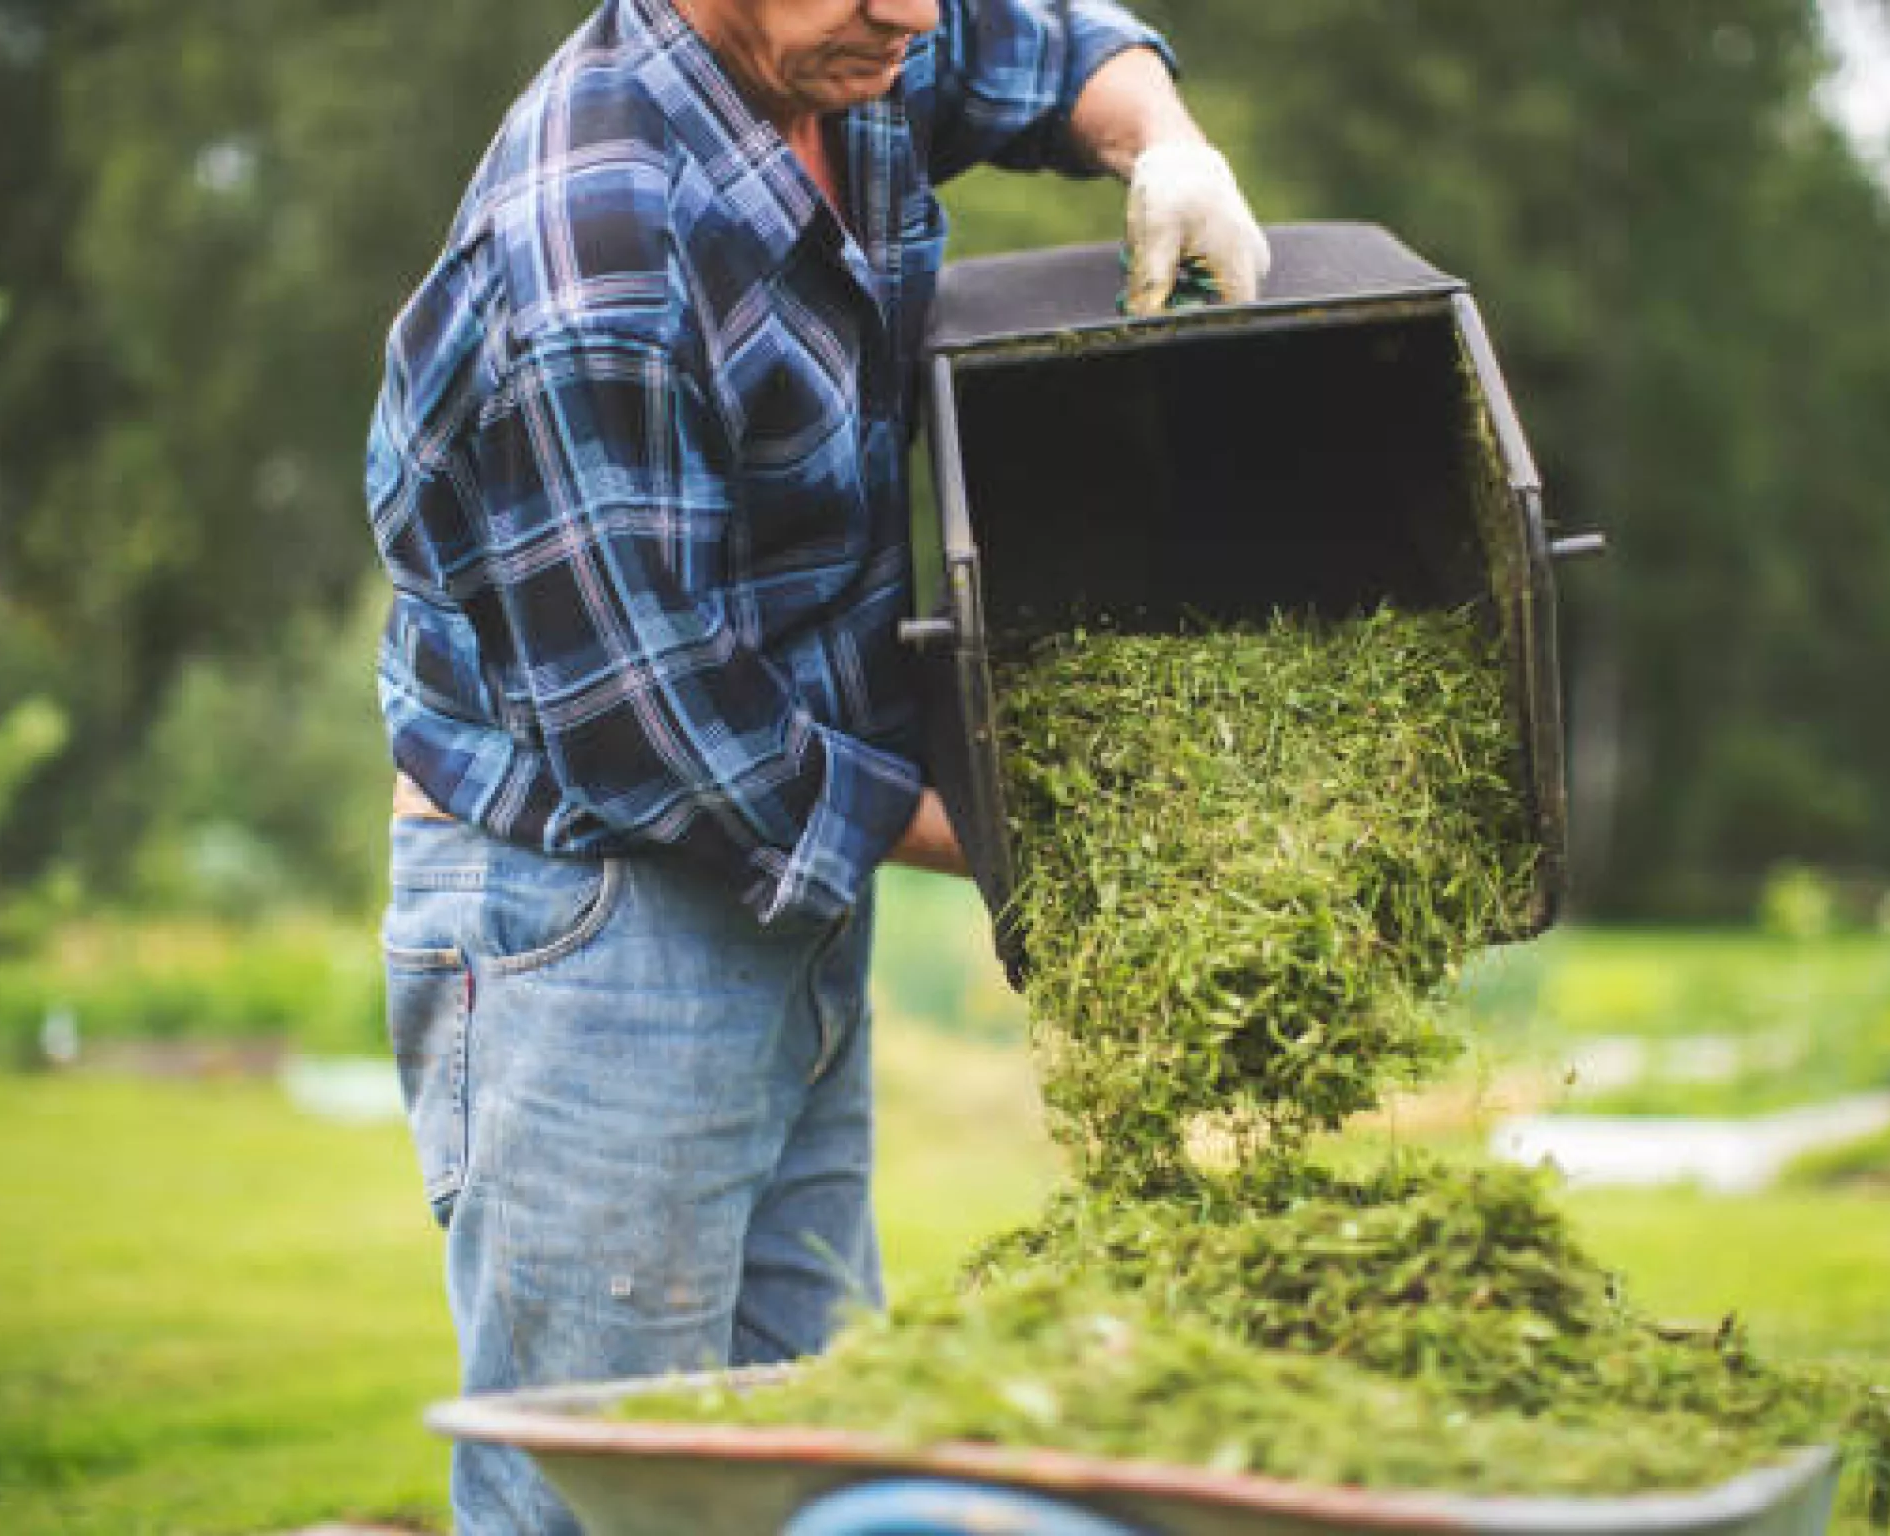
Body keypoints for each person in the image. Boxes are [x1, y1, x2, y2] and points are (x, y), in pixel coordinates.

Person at [364, 0, 1269, 1529]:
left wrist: (1169, 143)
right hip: (597, 918)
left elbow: (1034, 47)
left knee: (814, 1462)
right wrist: (1034, 837)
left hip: (784, 887)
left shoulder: (851, 44)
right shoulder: (594, 251)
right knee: (609, 1491)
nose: (913, 13)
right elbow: (673, 738)